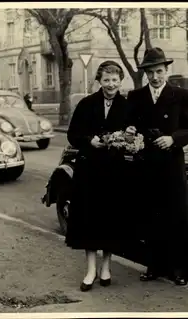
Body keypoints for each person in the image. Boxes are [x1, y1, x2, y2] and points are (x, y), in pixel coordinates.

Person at [125, 47, 188, 286]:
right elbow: (130, 127)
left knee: (176, 217)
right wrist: (129, 132)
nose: (155, 77)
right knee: (150, 216)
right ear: (145, 73)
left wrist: (173, 139)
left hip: (172, 166)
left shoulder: (182, 95)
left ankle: (178, 269)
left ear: (166, 70)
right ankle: (153, 266)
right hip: (146, 166)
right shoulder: (136, 97)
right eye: (150, 72)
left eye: (159, 71)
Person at [65, 60, 130, 292]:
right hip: (89, 171)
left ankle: (106, 267)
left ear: (120, 81)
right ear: (99, 81)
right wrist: (89, 141)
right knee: (89, 220)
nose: (111, 84)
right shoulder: (86, 103)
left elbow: (133, 134)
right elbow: (73, 134)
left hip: (114, 173)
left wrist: (127, 137)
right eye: (106, 80)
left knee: (109, 221)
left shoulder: (127, 105)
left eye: (114, 80)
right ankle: (90, 270)